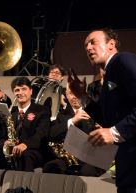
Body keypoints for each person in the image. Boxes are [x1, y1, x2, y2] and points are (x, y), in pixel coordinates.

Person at [69, 27, 136, 193]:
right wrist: (83, 96)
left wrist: (114, 132)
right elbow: (108, 120)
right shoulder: (109, 76)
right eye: (86, 46)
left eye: (93, 42)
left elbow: (113, 128)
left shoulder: (123, 60)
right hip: (127, 166)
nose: (88, 48)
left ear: (111, 44)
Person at [43, 79, 105, 176]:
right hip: (67, 158)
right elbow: (51, 134)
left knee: (87, 171)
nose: (75, 96)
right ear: (66, 95)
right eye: (71, 93)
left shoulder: (94, 111)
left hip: (90, 157)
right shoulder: (61, 115)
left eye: (77, 93)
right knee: (51, 167)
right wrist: (72, 121)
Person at [3, 76, 51, 172]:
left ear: (31, 91)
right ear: (13, 93)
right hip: (12, 150)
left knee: (24, 155)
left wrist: (25, 145)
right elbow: (2, 134)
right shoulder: (11, 113)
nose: (20, 93)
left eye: (24, 89)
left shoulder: (41, 110)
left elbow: (40, 135)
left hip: (33, 150)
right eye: (17, 90)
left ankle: (23, 186)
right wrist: (5, 142)